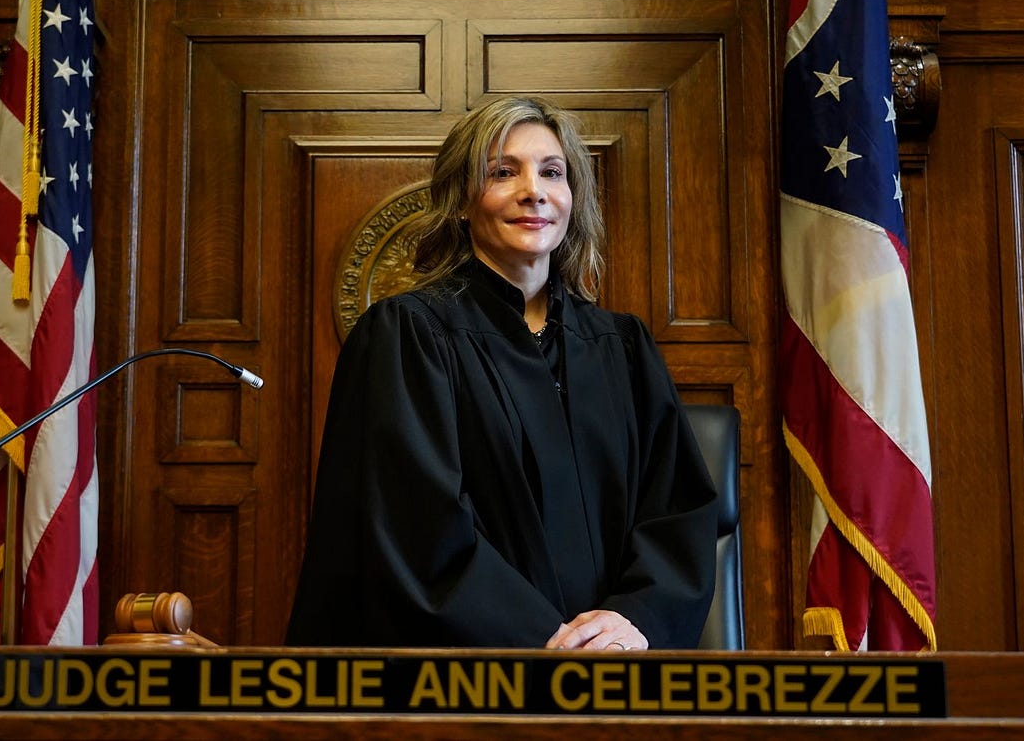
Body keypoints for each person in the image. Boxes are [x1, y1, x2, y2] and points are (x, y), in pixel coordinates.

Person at [286, 96, 717, 650]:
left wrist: (634, 620)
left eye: (552, 172)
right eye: (502, 172)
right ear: (463, 200)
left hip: (619, 674)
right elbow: (412, 527)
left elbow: (676, 509)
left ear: (572, 198)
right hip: (467, 686)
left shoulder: (622, 348)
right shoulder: (408, 336)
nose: (532, 190)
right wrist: (547, 640)